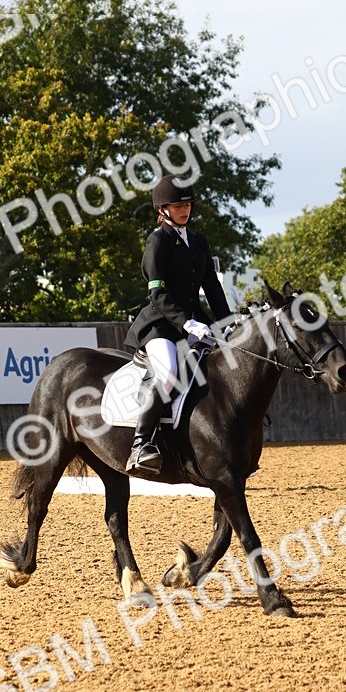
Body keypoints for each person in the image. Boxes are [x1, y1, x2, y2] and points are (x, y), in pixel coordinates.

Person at [124, 174, 232, 474]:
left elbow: (212, 287)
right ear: (162, 209)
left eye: (187, 204)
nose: (184, 210)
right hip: (161, 327)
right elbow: (157, 291)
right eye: (177, 205)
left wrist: (228, 325)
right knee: (169, 372)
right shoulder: (157, 241)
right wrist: (187, 324)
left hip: (195, 324)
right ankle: (140, 445)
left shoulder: (198, 240)